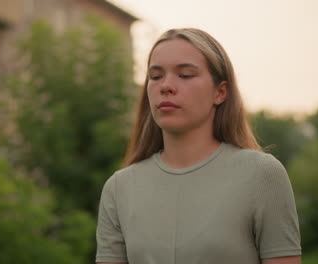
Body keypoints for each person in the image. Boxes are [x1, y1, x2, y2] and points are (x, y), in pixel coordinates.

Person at [95, 28, 301, 264]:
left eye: (185, 75)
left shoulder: (262, 175)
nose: (166, 86)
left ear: (220, 92)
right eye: (155, 76)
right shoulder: (119, 188)